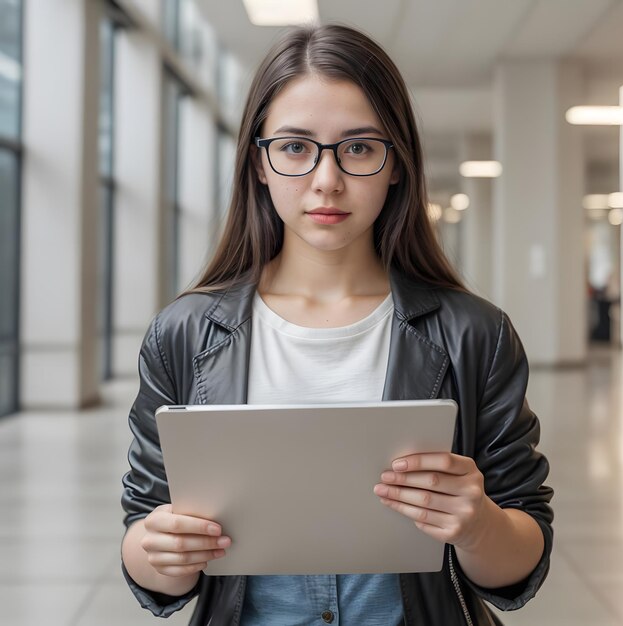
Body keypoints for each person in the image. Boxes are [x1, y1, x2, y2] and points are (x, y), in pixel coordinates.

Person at [121, 23, 553, 626]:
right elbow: (145, 551)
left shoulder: (474, 333)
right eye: (295, 147)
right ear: (260, 164)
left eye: (358, 147)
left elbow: (521, 556)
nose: (327, 179)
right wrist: (162, 550)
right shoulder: (185, 333)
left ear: (396, 164)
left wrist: (478, 526)